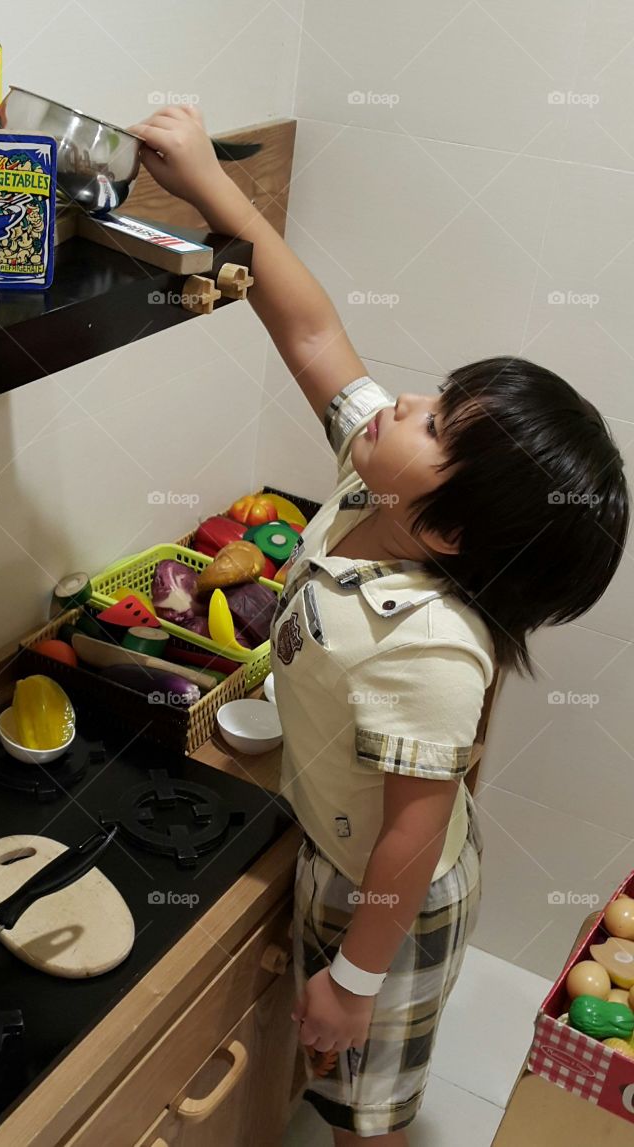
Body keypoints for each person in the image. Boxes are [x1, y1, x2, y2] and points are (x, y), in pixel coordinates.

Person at [129, 104, 629, 1144]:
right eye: (439, 397)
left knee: (366, 1109)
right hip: (336, 843)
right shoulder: (379, 488)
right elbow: (308, 325)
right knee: (332, 1074)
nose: (403, 403)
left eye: (438, 422)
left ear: (448, 528)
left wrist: (357, 978)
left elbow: (411, 831)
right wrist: (207, 187)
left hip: (392, 903)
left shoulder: (435, 649)